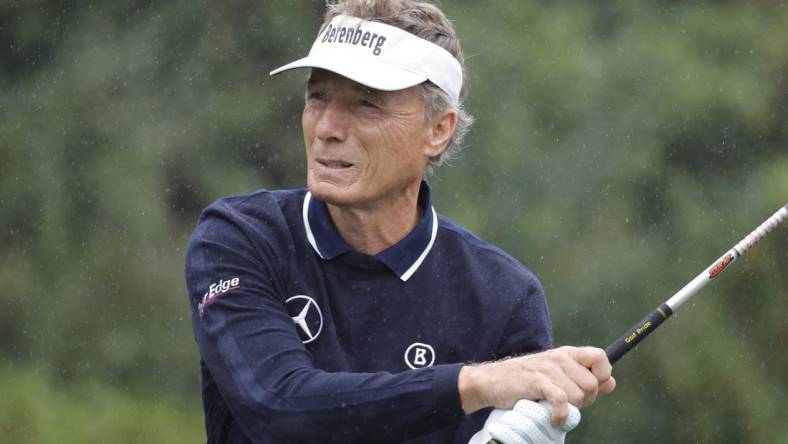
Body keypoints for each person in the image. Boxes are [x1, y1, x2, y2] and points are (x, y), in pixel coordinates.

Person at [184, 1, 615, 443]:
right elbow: (278, 405)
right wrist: (478, 383)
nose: (327, 127)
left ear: (438, 130)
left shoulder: (504, 297)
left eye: (367, 104)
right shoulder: (240, 237)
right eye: (318, 97)